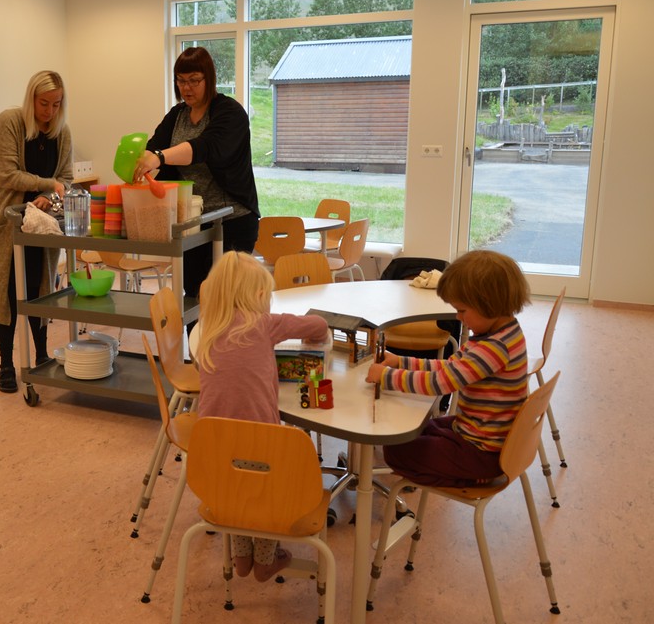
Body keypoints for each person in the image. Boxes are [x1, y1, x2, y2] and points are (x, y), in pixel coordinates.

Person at [194, 251, 330, 583]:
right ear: (258, 296)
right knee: (266, 493)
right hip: (266, 449)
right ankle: (265, 561)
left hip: (211, 455)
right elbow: (319, 325)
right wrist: (315, 336)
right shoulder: (264, 324)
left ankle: (242, 557)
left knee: (236, 491)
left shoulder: (208, 327)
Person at [365, 250, 531, 487]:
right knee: (416, 427)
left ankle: (470, 478)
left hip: (481, 453)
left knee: (396, 452)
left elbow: (440, 383)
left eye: (462, 310)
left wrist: (387, 376)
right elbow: (451, 367)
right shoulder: (502, 333)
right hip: (477, 434)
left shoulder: (493, 348)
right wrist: (400, 361)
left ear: (489, 304)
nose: (458, 317)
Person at [133, 46, 259, 300]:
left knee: (227, 301)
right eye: (181, 81)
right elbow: (154, 148)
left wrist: (160, 157)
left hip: (232, 222)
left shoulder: (230, 113)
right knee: (193, 295)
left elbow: (205, 147)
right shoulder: (177, 115)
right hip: (193, 222)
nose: (186, 88)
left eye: (194, 81)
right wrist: (143, 161)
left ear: (209, 79)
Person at [0, 70, 74, 393]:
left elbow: (66, 177)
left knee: (40, 288)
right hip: (7, 219)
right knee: (7, 293)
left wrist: (48, 194)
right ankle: (6, 364)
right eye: (44, 103)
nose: (49, 111)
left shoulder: (62, 132)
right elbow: (7, 174)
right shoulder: (9, 122)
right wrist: (49, 184)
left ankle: (42, 354)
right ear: (31, 99)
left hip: (42, 221)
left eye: (56, 104)